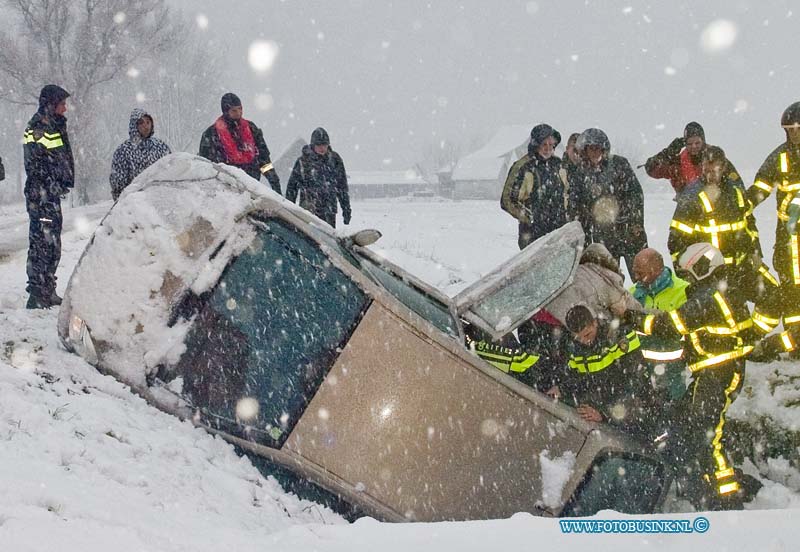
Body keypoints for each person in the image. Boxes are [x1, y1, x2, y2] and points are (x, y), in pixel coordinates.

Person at [637, 243, 752, 510]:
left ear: (701, 269)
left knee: (709, 437)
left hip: (718, 373)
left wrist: (633, 317)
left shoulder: (711, 297)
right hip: (710, 373)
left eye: (689, 274)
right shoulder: (718, 290)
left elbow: (672, 324)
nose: (686, 280)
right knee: (690, 428)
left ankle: (727, 498)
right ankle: (708, 487)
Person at [668, 146, 781, 339]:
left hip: (741, 266)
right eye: (706, 169)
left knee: (774, 297)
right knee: (724, 317)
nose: (710, 174)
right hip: (711, 274)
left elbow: (749, 226)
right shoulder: (691, 197)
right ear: (702, 167)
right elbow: (676, 242)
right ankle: (731, 346)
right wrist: (687, 274)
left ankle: (751, 337)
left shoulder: (736, 192)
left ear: (723, 167)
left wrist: (755, 252)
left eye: (715, 169)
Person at [559, 304, 657, 440]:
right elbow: (576, 378)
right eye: (579, 338)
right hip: (603, 411)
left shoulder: (619, 337)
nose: (585, 341)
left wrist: (605, 414)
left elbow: (637, 383)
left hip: (633, 414)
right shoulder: (574, 347)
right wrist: (561, 389)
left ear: (595, 323)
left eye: (587, 334)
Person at [746, 101, 800, 349]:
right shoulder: (780, 156)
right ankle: (794, 337)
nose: (794, 134)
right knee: (790, 288)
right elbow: (761, 187)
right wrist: (740, 207)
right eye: (789, 129)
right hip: (788, 240)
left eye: (797, 128)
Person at [568, 128, 647, 276]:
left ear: (604, 149)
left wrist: (636, 223)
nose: (595, 153)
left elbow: (636, 195)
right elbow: (577, 208)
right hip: (603, 236)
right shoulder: (579, 173)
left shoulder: (619, 164)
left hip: (630, 231)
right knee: (609, 279)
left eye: (598, 148)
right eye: (591, 149)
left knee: (643, 274)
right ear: (584, 150)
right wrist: (583, 239)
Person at [22, 84, 74, 309]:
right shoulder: (39, 126)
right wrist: (52, 184)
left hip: (49, 195)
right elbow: (36, 163)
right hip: (41, 195)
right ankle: (37, 292)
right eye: (62, 104)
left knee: (52, 243)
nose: (65, 109)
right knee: (42, 243)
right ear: (51, 104)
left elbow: (59, 158)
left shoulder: (54, 124)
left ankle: (47, 288)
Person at [630, 248, 689, 401]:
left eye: (641, 273)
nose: (636, 278)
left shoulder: (684, 291)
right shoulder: (632, 294)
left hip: (674, 369)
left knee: (675, 410)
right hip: (641, 369)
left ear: (656, 269)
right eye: (634, 272)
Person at [199, 92, 281, 194]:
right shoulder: (211, 134)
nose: (238, 113)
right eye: (234, 110)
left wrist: (273, 179)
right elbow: (206, 166)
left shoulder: (252, 129)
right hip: (225, 190)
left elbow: (263, 158)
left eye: (240, 109)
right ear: (225, 112)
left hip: (252, 187)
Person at [501, 124, 566, 249]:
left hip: (558, 233)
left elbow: (567, 193)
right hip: (532, 235)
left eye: (551, 145)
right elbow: (507, 200)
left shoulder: (559, 165)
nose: (548, 148)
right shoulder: (523, 167)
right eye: (544, 144)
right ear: (536, 145)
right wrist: (530, 217)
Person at [285, 127, 352, 228]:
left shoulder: (335, 160)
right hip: (308, 211)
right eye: (319, 145)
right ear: (313, 145)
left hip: (329, 210)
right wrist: (289, 212)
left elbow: (342, 187)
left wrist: (346, 209)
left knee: (328, 239)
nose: (322, 148)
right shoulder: (303, 162)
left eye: (324, 145)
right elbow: (292, 188)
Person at [109, 108, 171, 200]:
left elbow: (171, 171)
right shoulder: (123, 151)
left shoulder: (161, 147)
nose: (146, 126)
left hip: (160, 200)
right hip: (135, 204)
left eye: (148, 122)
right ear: (134, 125)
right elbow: (118, 183)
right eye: (141, 123)